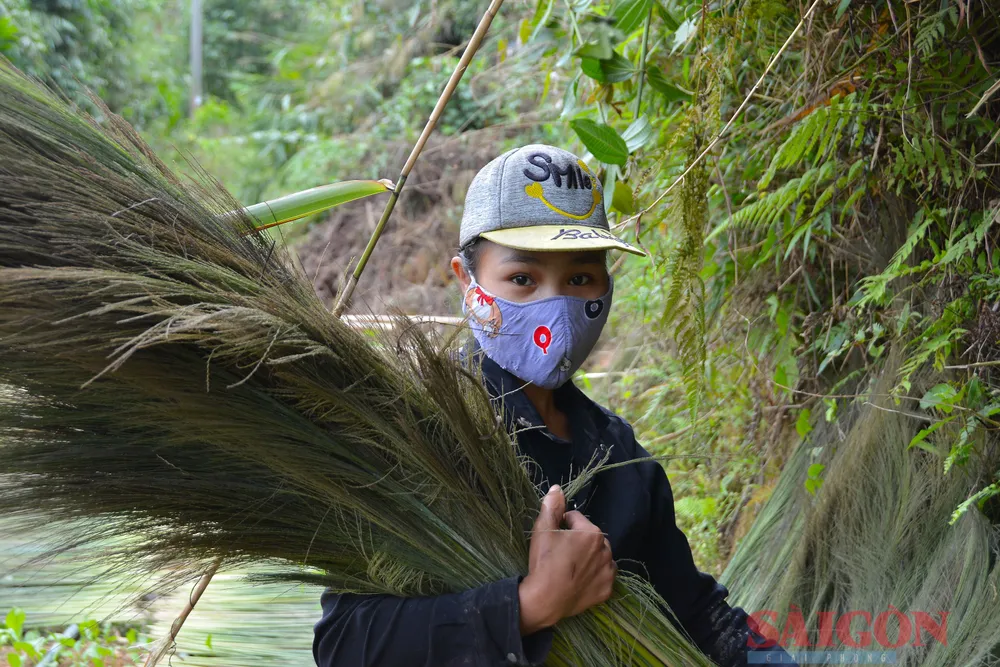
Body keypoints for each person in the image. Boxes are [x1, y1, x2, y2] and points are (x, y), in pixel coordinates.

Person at [313, 144, 796, 666]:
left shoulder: (620, 457)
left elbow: (694, 612)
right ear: (465, 280)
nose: (557, 308)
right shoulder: (413, 436)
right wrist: (528, 606)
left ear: (607, 283)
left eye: (580, 279)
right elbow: (345, 643)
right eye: (522, 279)